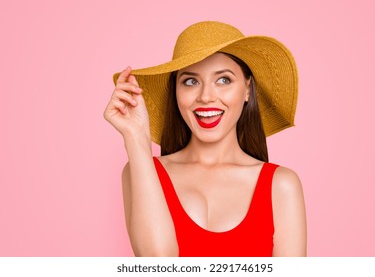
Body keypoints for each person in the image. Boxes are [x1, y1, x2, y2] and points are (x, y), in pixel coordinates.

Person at [104, 21, 306, 257]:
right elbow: (157, 264)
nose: (206, 96)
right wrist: (136, 138)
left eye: (223, 80)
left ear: (248, 89)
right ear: (176, 91)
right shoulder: (141, 171)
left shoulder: (281, 185)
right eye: (191, 81)